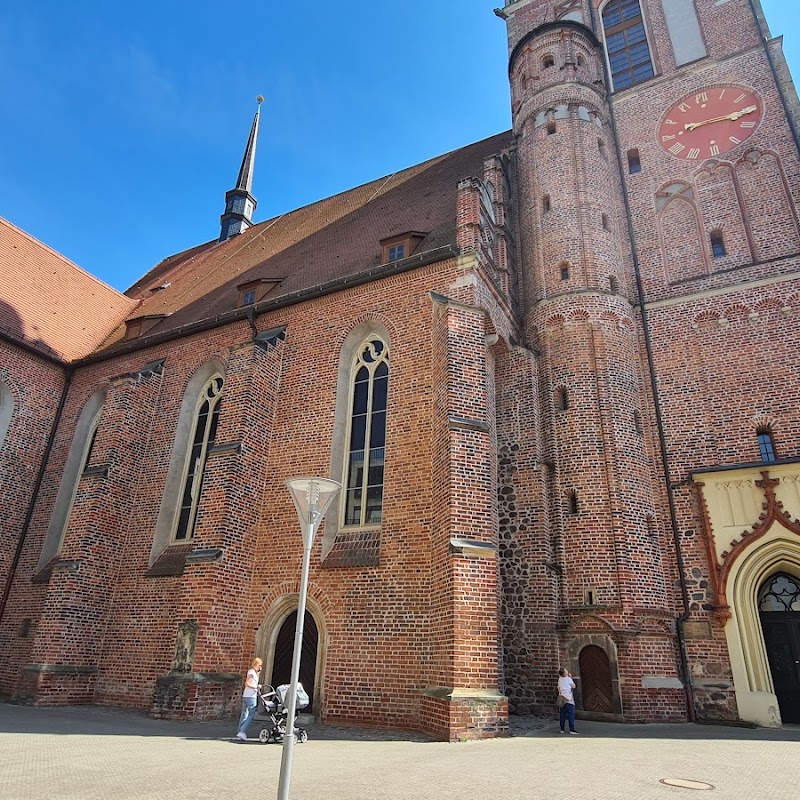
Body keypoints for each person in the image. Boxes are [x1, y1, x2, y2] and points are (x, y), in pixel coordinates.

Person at [236, 657, 263, 741]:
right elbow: (247, 683)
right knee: (251, 714)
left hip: (246, 695)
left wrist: (258, 673)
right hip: (251, 696)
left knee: (244, 713)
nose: (260, 667)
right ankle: (242, 731)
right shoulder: (251, 672)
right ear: (256, 664)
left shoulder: (252, 672)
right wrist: (256, 687)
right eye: (259, 665)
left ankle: (240, 731)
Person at [557, 667, 578, 734]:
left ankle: (562, 729)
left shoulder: (560, 679)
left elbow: (558, 687)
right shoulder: (568, 679)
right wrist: (570, 677)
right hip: (568, 698)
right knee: (570, 714)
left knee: (562, 714)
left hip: (561, 697)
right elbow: (574, 686)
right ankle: (572, 729)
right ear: (565, 673)